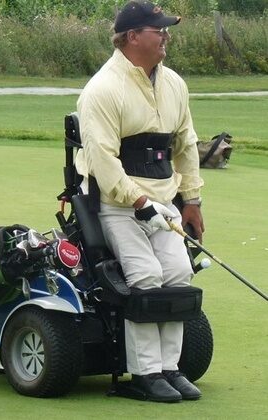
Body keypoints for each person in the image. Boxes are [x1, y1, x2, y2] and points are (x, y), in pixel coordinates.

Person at [75, 1, 204, 402]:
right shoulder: (103, 88)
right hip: (116, 204)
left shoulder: (174, 84)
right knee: (146, 278)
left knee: (178, 273)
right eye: (157, 29)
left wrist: (193, 200)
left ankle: (170, 368)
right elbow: (102, 160)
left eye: (166, 30)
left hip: (162, 203)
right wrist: (138, 200)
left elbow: (186, 145)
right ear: (132, 36)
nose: (165, 35)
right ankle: (145, 374)